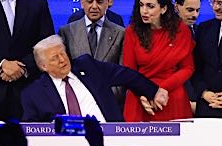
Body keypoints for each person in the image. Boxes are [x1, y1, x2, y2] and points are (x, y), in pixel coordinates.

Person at [20, 35, 164, 122]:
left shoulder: (88, 67)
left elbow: (126, 75)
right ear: (43, 66)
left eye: (63, 53)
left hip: (109, 135)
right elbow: (32, 130)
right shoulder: (33, 94)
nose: (63, 60)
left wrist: (153, 91)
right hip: (67, 145)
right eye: (54, 58)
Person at [121, 0, 194, 122]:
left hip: (171, 95)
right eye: (141, 5)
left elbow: (187, 68)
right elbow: (129, 70)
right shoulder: (132, 31)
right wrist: (145, 94)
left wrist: (163, 89)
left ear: (164, 8)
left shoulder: (181, 31)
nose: (144, 11)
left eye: (150, 6)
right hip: (140, 96)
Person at [58, 0, 124, 64]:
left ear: (107, 3)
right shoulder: (67, 32)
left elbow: (122, 70)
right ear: (82, 3)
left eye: (99, 2)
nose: (94, 6)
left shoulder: (120, 33)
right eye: (90, 1)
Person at [174, 0, 204, 113]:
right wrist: (189, 99)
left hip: (200, 99)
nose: (195, 15)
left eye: (197, 10)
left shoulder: (201, 32)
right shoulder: (165, 33)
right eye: (190, 10)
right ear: (176, 7)